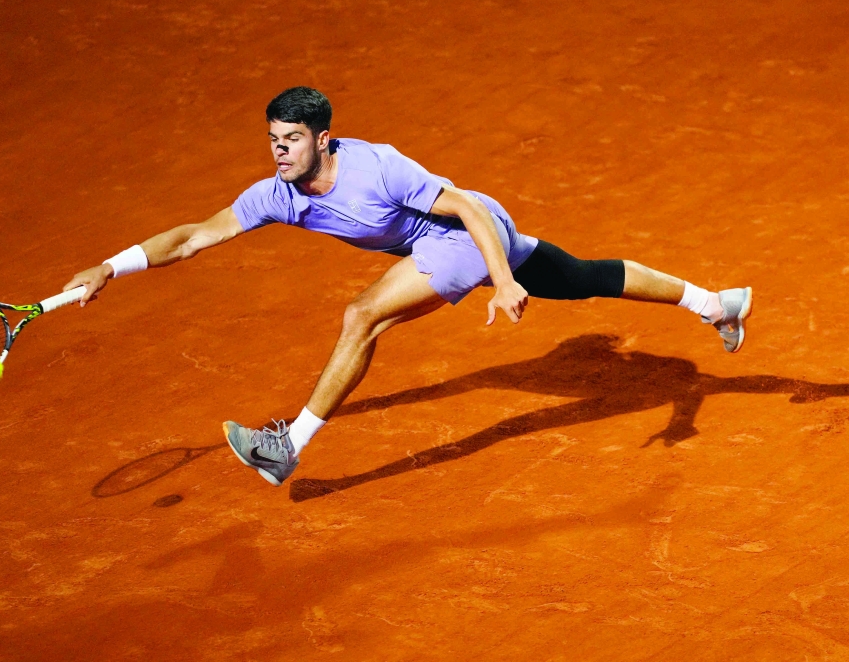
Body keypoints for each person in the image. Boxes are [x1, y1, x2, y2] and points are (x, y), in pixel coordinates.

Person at [64, 86, 752, 487]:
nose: (279, 151)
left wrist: (504, 280)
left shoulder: (378, 168)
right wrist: (110, 265)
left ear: (323, 139)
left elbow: (470, 209)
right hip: (458, 236)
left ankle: (289, 447)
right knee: (580, 279)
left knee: (363, 315)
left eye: (292, 140)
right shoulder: (276, 193)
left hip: (463, 231)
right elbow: (192, 235)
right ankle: (715, 303)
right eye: (273, 139)